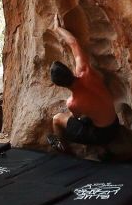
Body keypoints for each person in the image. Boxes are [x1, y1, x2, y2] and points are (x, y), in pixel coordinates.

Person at [47, 14, 119, 152]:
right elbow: (73, 42)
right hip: (115, 123)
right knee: (92, 115)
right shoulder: (86, 71)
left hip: (102, 134)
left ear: (60, 85)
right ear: (69, 70)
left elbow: (77, 117)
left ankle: (61, 147)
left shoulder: (73, 103)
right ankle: (104, 148)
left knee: (57, 119)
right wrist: (57, 29)